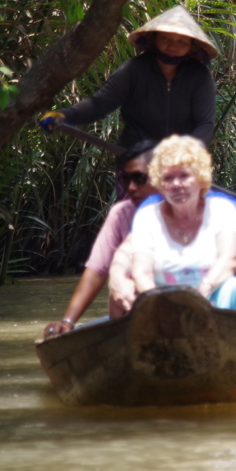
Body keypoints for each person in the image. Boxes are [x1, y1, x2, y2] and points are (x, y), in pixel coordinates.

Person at [38, 5, 218, 149]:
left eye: (182, 42)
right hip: (136, 163)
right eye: (165, 39)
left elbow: (204, 123)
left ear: (191, 47)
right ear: (154, 39)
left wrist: (188, 154)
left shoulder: (199, 76)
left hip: (180, 169)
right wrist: (63, 115)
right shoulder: (134, 69)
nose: (172, 46)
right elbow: (99, 104)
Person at [117, 135, 236, 314]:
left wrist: (203, 290)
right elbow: (141, 272)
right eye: (168, 178)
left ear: (201, 179)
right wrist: (161, 304)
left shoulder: (222, 209)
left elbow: (228, 259)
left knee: (233, 287)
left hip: (211, 298)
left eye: (185, 176)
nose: (176, 184)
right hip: (164, 304)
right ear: (160, 185)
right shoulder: (147, 216)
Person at [43, 140, 158, 338]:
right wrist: (68, 321)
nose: (130, 188)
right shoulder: (122, 213)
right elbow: (97, 271)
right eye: (125, 179)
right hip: (135, 316)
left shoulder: (200, 211)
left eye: (139, 178)